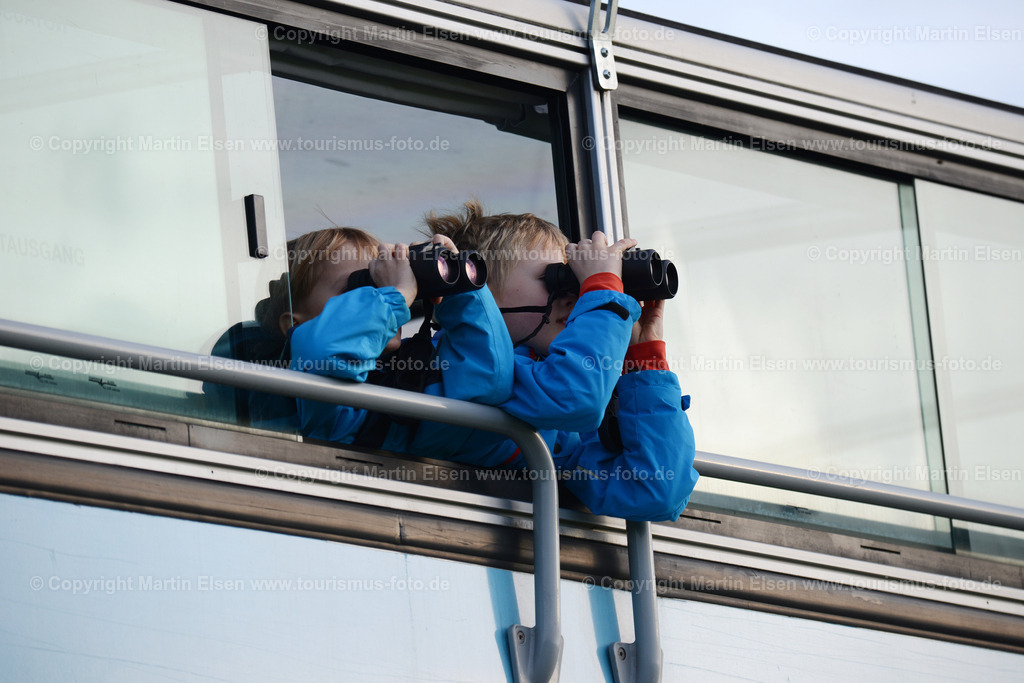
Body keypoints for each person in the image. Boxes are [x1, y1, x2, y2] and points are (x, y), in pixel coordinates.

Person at [422, 201, 698, 522]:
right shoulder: (464, 364)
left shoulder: (557, 427)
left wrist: (644, 361)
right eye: (553, 279)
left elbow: (655, 489)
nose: (573, 295)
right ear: (482, 289)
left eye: (575, 283)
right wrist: (604, 294)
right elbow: (575, 397)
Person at [281, 226, 514, 452]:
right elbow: (324, 351)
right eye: (358, 286)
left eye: (378, 279)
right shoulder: (308, 387)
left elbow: (486, 389)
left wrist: (461, 292)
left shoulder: (402, 378)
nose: (381, 290)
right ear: (294, 325)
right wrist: (398, 292)